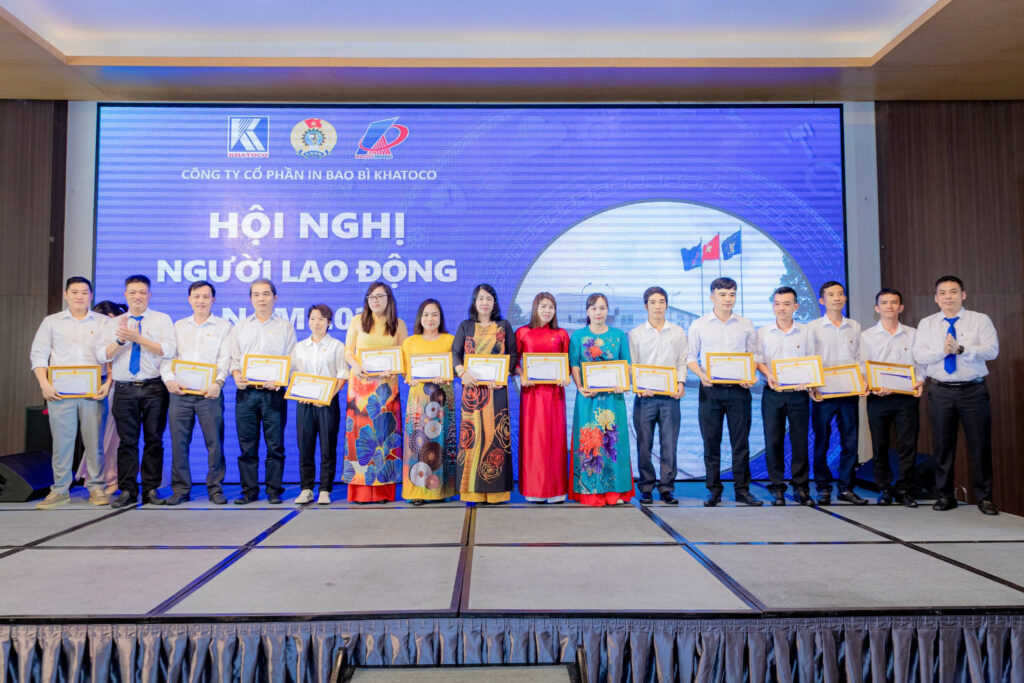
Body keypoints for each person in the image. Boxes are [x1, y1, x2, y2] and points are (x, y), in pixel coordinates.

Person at [913, 275, 999, 515]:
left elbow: (992, 351)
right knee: (943, 446)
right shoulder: (927, 323)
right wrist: (943, 352)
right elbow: (919, 355)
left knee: (979, 446)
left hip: (973, 390)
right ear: (935, 298)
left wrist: (961, 349)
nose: (948, 297)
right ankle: (945, 496)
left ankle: (985, 498)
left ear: (963, 295)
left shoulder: (980, 320)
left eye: (953, 292)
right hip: (940, 391)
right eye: (942, 293)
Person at [30, 277, 112, 509]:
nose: (79, 296)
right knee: (62, 443)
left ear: (91, 296)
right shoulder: (51, 322)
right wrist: (44, 384)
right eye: (74, 292)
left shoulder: (104, 322)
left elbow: (112, 355)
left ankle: (96, 487)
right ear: (66, 295)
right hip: (60, 391)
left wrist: (108, 383)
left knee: (94, 442)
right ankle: (60, 490)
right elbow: (38, 354)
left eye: (84, 292)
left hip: (93, 390)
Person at [98, 274, 176, 508]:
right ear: (125, 295)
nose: (137, 296)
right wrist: (121, 341)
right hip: (124, 389)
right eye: (132, 292)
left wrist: (138, 338)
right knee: (127, 442)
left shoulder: (162, 319)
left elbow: (168, 350)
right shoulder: (113, 323)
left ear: (149, 295)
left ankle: (151, 489)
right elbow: (102, 355)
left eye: (142, 292)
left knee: (154, 440)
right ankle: (127, 490)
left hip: (154, 387)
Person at [687, 277, 762, 507]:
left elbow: (755, 356)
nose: (728, 299)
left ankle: (742, 491)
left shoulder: (746, 324)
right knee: (711, 442)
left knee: (741, 443)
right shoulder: (699, 324)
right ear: (712, 297)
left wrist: (752, 375)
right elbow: (690, 356)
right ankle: (714, 491)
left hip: (739, 391)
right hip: (710, 391)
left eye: (732, 294)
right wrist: (701, 375)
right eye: (722, 295)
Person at [161, 281, 232, 506]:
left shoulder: (224, 327)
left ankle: (215, 489)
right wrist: (168, 379)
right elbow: (168, 357)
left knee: (215, 443)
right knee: (179, 443)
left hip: (209, 394)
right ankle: (180, 490)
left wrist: (218, 383)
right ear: (189, 299)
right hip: (180, 394)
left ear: (213, 299)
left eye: (206, 296)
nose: (201, 300)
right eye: (196, 296)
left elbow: (225, 359)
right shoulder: (178, 326)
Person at [230, 278, 296, 505]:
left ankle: (274, 490)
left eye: (266, 294)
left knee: (275, 445)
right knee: (247, 445)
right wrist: (236, 375)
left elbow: (291, 360)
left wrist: (281, 379)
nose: (261, 299)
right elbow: (233, 359)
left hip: (273, 393)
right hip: (246, 393)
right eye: (256, 294)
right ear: (250, 299)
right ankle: (249, 491)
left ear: (275, 298)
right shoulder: (240, 327)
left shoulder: (285, 327)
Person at [453, 284, 518, 504]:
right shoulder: (465, 326)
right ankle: (473, 492)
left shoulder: (504, 326)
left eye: (489, 299)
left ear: (494, 302)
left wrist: (503, 375)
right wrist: (462, 373)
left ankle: (497, 494)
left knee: (496, 437)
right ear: (474, 302)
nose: (485, 303)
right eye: (481, 298)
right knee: (471, 439)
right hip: (472, 393)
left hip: (497, 392)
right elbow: (455, 354)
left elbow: (513, 354)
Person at [342, 282, 406, 503]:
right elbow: (348, 351)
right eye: (372, 297)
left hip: (386, 390)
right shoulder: (357, 321)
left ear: (389, 299)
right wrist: (355, 365)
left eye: (380, 296)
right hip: (360, 388)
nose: (376, 300)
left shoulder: (398, 324)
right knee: (360, 439)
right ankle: (359, 491)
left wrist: (395, 369)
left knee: (384, 438)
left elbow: (403, 357)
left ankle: (383, 492)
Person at [861, 288, 924, 507]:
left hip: (906, 397)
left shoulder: (913, 334)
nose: (889, 306)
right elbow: (863, 367)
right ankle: (885, 488)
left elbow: (920, 364)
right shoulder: (867, 336)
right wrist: (873, 385)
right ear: (877, 308)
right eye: (884, 302)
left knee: (908, 444)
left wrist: (920, 380)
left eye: (894, 302)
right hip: (878, 397)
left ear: (901, 307)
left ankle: (905, 489)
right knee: (880, 445)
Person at [568, 293, 633, 506]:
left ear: (608, 311)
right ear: (587, 311)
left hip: (614, 399)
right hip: (588, 399)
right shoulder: (578, 336)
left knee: (613, 442)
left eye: (602, 308)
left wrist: (623, 383)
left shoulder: (619, 335)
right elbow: (574, 363)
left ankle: (615, 492)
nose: (598, 312)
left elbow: (626, 364)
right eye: (594, 308)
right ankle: (591, 492)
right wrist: (580, 387)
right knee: (591, 442)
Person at [755, 286, 817, 506]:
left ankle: (801, 488)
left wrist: (809, 382)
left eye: (786, 304)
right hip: (773, 393)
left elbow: (812, 360)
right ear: (773, 306)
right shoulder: (762, 332)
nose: (781, 308)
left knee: (800, 441)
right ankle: (777, 487)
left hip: (798, 394)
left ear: (795, 306)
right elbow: (758, 360)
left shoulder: (806, 331)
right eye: (777, 304)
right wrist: (768, 374)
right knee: (773, 440)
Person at [808, 281, 867, 506]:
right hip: (823, 392)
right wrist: (812, 385)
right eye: (831, 294)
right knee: (822, 441)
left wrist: (863, 379)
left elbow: (859, 358)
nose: (837, 298)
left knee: (850, 442)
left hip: (849, 391)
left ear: (845, 298)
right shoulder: (812, 328)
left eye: (840, 294)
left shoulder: (854, 326)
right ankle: (823, 488)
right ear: (822, 300)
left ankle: (846, 488)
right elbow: (809, 359)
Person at [627, 286, 687, 506]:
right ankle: (646, 487)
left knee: (669, 445)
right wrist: (638, 387)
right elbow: (632, 365)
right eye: (653, 302)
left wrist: (680, 383)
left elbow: (681, 362)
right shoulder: (635, 334)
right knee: (645, 445)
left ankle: (667, 488)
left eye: (661, 302)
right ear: (646, 306)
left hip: (670, 398)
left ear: (667, 305)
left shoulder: (678, 332)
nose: (658, 306)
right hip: (645, 398)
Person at [515, 293, 571, 503]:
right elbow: (515, 362)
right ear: (535, 307)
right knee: (534, 441)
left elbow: (567, 363)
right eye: (544, 306)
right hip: (532, 396)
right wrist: (521, 374)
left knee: (555, 441)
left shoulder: (561, 334)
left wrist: (565, 376)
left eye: (551, 307)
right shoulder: (522, 332)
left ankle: (556, 490)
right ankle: (534, 489)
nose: (547, 311)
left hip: (555, 397)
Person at [401, 299, 457, 505]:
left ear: (440, 317)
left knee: (442, 444)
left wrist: (447, 376)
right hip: (418, 401)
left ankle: (442, 490)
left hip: (442, 401)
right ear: (420, 317)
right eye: (426, 314)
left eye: (434, 314)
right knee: (418, 444)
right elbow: (406, 372)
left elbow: (456, 369)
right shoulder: (409, 342)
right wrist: (411, 378)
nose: (430, 319)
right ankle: (417, 492)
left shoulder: (450, 340)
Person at [290, 304, 347, 505]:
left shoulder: (337, 346)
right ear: (308, 321)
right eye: (313, 319)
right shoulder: (299, 347)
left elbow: (342, 376)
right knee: (305, 446)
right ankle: (306, 488)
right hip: (304, 403)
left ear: (329, 322)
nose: (317, 323)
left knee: (327, 446)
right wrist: (299, 392)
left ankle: (324, 489)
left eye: (321, 319)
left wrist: (327, 396)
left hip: (328, 403)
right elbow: (293, 374)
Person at [75, 300, 127, 494]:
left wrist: (109, 382)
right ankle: (102, 478)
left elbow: (113, 361)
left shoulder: (124, 332)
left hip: (117, 387)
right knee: (100, 435)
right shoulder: (98, 335)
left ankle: (112, 478)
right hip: (100, 387)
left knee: (115, 436)